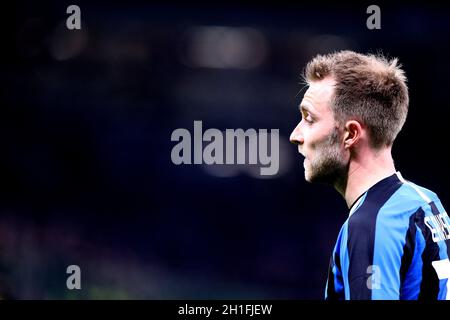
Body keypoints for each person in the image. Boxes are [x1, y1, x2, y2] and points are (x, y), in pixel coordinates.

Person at [289, 50, 450, 300]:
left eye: (309, 119)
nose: (295, 135)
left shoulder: (369, 226)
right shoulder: (427, 202)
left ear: (351, 134)